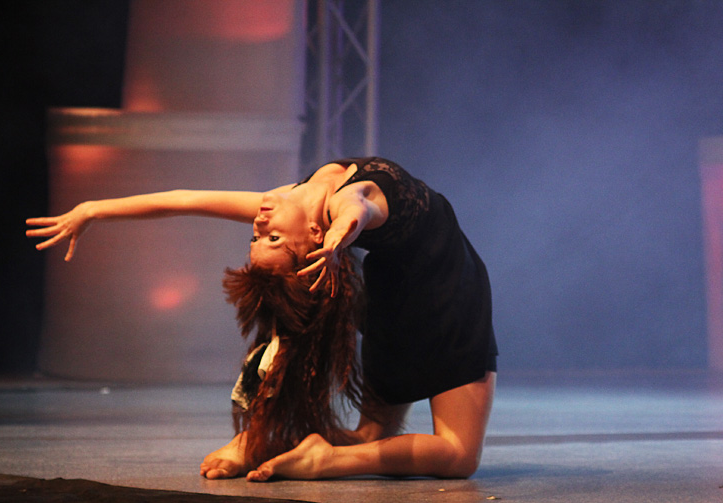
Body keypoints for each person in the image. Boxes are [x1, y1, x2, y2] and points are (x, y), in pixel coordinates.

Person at [26, 156, 497, 481]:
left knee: (370, 435)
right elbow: (359, 207)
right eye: (272, 239)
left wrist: (93, 209)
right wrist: (339, 238)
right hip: (444, 291)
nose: (259, 225)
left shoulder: (285, 203)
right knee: (458, 456)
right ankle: (322, 461)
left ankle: (265, 444)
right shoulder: (335, 209)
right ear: (314, 234)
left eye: (259, 238)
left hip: (392, 292)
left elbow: (183, 199)